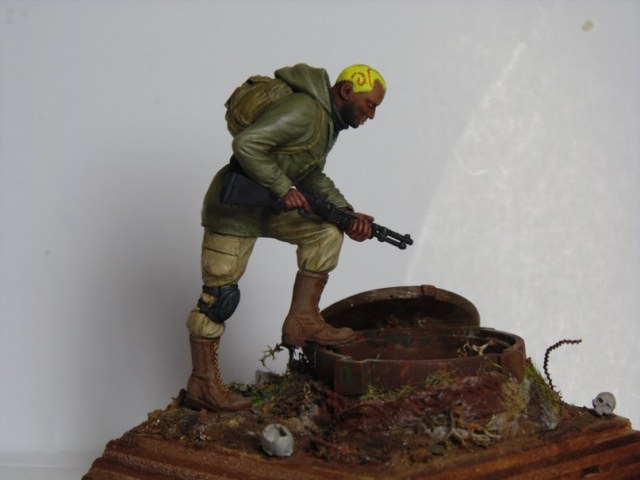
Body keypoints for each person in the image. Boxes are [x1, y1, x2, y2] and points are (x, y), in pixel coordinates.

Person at [183, 63, 386, 412]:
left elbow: (310, 174)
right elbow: (247, 144)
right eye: (370, 105)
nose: (371, 115)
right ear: (346, 92)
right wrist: (281, 187)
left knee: (326, 234)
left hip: (268, 207)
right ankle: (202, 383)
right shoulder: (305, 111)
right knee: (219, 299)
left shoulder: (326, 125)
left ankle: (302, 320)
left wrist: (345, 212)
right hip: (234, 208)